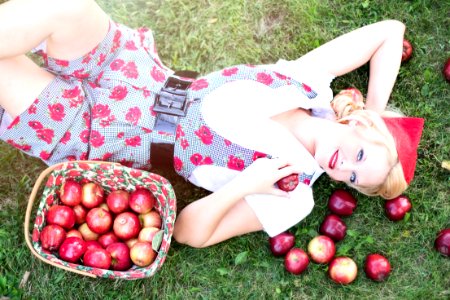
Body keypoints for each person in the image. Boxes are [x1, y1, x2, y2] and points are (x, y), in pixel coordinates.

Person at [0, 0, 423, 248]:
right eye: (360, 154)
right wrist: (376, 111)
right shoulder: (307, 83)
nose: (342, 165)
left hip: (101, 129)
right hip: (131, 69)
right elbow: (389, 32)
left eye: (350, 177)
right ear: (361, 125)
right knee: (66, 6)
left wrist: (246, 185)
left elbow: (188, 233)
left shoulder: (291, 194)